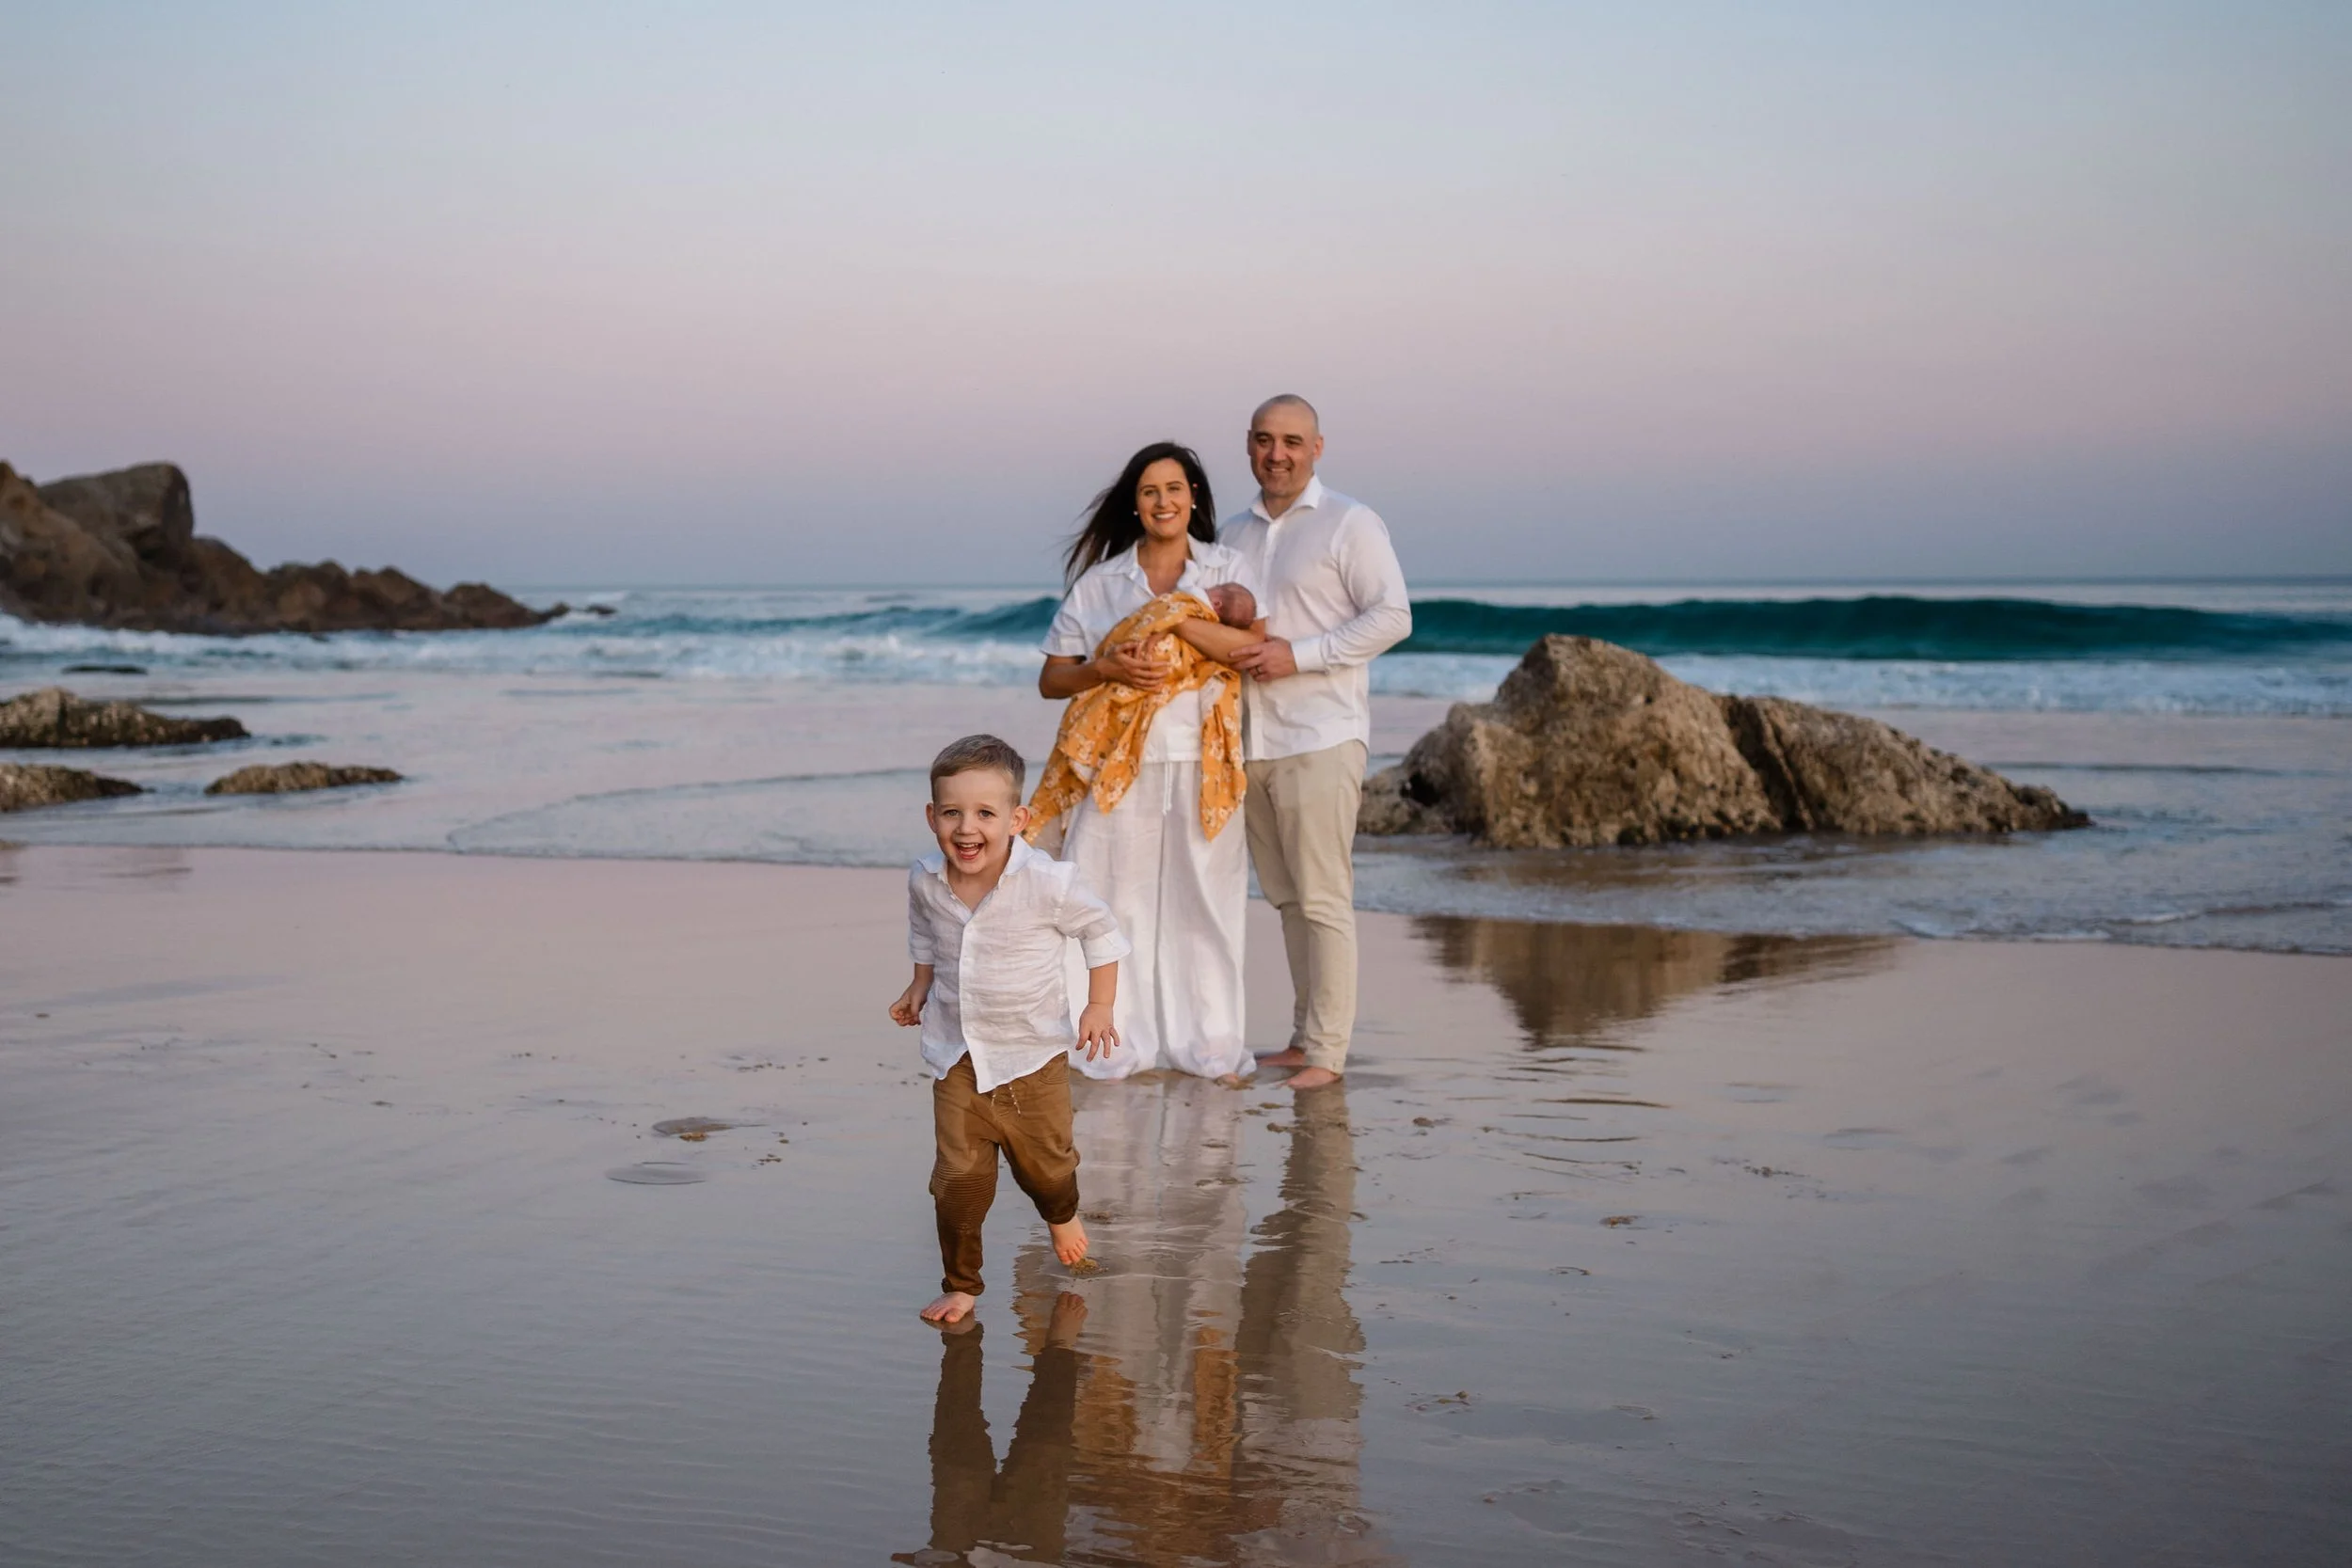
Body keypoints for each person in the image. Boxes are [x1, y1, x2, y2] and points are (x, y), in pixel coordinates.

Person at [1034, 442, 1262, 1085]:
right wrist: (1106, 667)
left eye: (1174, 488)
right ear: (1134, 506)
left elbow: (1252, 646)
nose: (1163, 501)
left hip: (1203, 759)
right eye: (1149, 491)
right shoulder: (1103, 581)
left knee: (1206, 903)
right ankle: (1108, 1041)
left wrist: (1180, 620)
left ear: (1193, 496)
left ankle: (1209, 1045)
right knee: (1108, 898)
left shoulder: (1227, 568)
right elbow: (1052, 680)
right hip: (1117, 764)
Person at [891, 734, 1130, 1325]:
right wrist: (919, 985)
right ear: (931, 817)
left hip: (1031, 1058)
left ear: (1017, 819)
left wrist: (1099, 1006)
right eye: (951, 812)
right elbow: (926, 936)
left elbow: (1101, 933)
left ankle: (1061, 1212)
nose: (966, 828)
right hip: (958, 1055)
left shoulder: (1048, 882)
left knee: (1046, 1166)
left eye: (985, 814)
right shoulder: (925, 878)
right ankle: (962, 1283)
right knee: (957, 1181)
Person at [1219, 395, 1412, 1091]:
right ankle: (1304, 1039)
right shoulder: (1229, 535)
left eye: (1293, 441)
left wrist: (1297, 656)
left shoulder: (1349, 523)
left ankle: (1329, 1051)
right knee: (1288, 897)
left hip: (1323, 733)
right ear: (1249, 445)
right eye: (1266, 440)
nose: (1279, 453)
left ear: (1318, 448)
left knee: (1325, 896)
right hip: (1250, 741)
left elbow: (1393, 616)